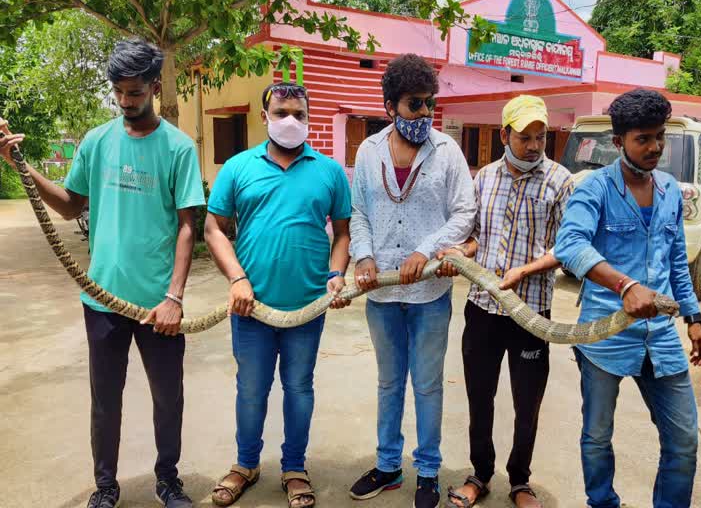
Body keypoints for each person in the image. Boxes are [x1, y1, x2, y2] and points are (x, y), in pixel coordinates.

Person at [0, 39, 205, 508]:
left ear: (155, 86)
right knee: (105, 402)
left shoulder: (177, 148)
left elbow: (188, 225)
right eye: (119, 92)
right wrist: (22, 167)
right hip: (102, 300)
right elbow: (72, 207)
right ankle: (106, 486)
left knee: (167, 399)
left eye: (135, 92)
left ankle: (168, 480)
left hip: (158, 305)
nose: (126, 102)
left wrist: (174, 296)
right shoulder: (96, 141)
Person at [554, 89, 701, 508]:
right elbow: (570, 245)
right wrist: (625, 286)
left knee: (683, 439)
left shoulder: (670, 190)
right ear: (619, 141)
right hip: (604, 336)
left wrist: (693, 317)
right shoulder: (595, 189)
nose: (655, 147)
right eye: (643, 139)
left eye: (660, 137)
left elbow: (677, 259)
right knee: (597, 435)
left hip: (660, 337)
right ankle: (603, 502)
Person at [204, 81, 352, 508]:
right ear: (264, 116)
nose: (291, 121)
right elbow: (214, 228)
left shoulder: (329, 171)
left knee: (299, 387)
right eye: (282, 112)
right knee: (251, 389)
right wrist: (236, 278)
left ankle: (294, 468)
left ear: (309, 118)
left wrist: (336, 273)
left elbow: (342, 232)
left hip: (308, 307)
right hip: (251, 308)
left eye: (300, 114)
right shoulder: (237, 168)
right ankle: (245, 464)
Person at [347, 53, 476, 508]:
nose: (424, 113)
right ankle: (387, 466)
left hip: (429, 293)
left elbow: (465, 211)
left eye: (428, 103)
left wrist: (427, 249)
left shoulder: (447, 152)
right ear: (390, 106)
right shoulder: (369, 151)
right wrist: (362, 256)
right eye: (413, 104)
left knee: (426, 383)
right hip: (380, 291)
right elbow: (359, 211)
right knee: (388, 383)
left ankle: (427, 471)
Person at [437, 95, 574, 508]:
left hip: (531, 313)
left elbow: (570, 246)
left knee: (527, 403)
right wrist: (463, 252)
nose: (534, 145)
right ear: (504, 135)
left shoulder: (560, 181)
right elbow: (477, 235)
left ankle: (520, 481)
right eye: (524, 137)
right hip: (482, 309)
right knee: (481, 397)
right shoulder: (484, 179)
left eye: (541, 136)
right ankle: (480, 474)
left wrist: (527, 270)